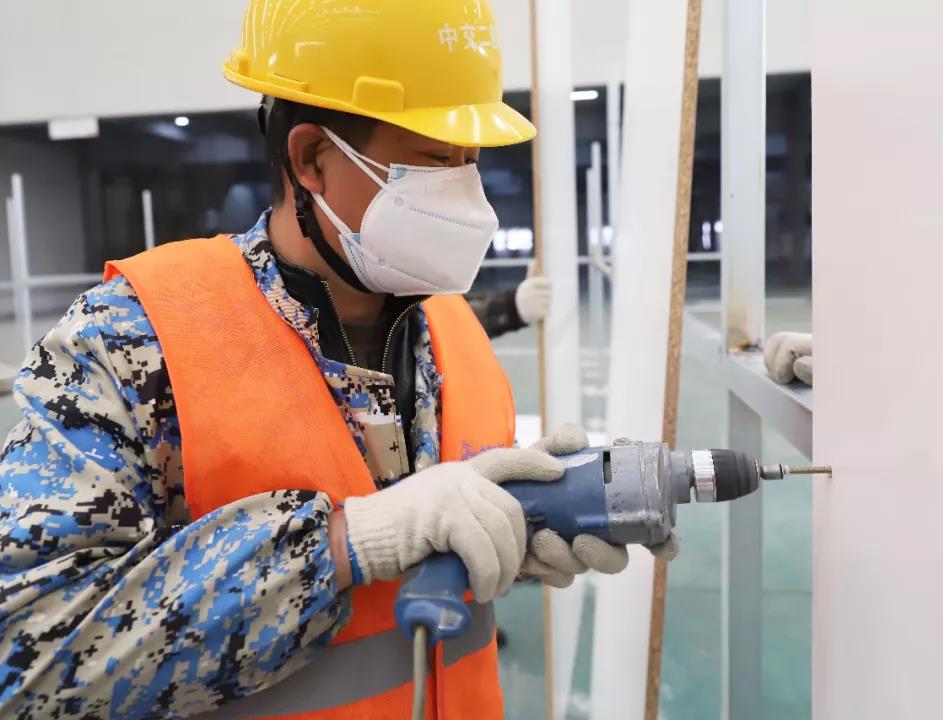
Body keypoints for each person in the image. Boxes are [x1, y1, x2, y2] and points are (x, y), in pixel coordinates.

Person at [0, 2, 676, 717]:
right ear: (313, 159)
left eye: (472, 161)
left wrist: (517, 526)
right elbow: (25, 655)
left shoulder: (451, 329)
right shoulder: (133, 339)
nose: (468, 194)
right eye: (435, 160)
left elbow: (427, 555)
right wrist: (348, 543)